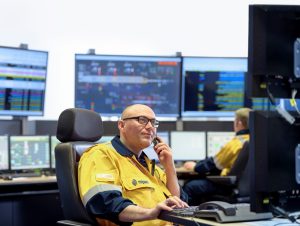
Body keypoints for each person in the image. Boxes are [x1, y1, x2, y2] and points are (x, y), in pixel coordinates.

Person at [78, 104, 188, 226]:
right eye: (142, 120)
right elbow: (105, 203)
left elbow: (178, 203)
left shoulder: (150, 166)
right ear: (121, 125)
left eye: (153, 122)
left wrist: (169, 166)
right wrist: (150, 213)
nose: (150, 127)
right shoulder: (100, 155)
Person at [182, 108, 252, 205]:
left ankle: (187, 217)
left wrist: (194, 166)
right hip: (248, 188)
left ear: (238, 123)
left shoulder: (236, 143)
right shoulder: (257, 141)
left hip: (228, 186)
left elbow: (213, 164)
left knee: (190, 186)